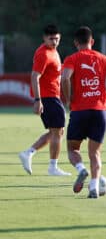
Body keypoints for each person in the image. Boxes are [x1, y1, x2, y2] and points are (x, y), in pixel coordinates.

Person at [61, 26, 106, 198]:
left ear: (75, 43)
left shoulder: (72, 58)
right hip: (100, 111)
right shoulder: (103, 58)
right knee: (95, 153)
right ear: (92, 42)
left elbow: (65, 77)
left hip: (80, 110)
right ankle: (94, 188)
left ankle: (81, 169)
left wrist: (68, 99)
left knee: (73, 149)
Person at [19, 24, 71, 176]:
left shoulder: (53, 51)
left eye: (57, 38)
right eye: (51, 39)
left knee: (56, 131)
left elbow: (54, 71)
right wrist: (38, 100)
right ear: (44, 38)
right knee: (58, 131)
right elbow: (35, 76)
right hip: (48, 97)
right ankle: (52, 167)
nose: (54, 41)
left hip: (52, 96)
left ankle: (28, 153)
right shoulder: (43, 54)